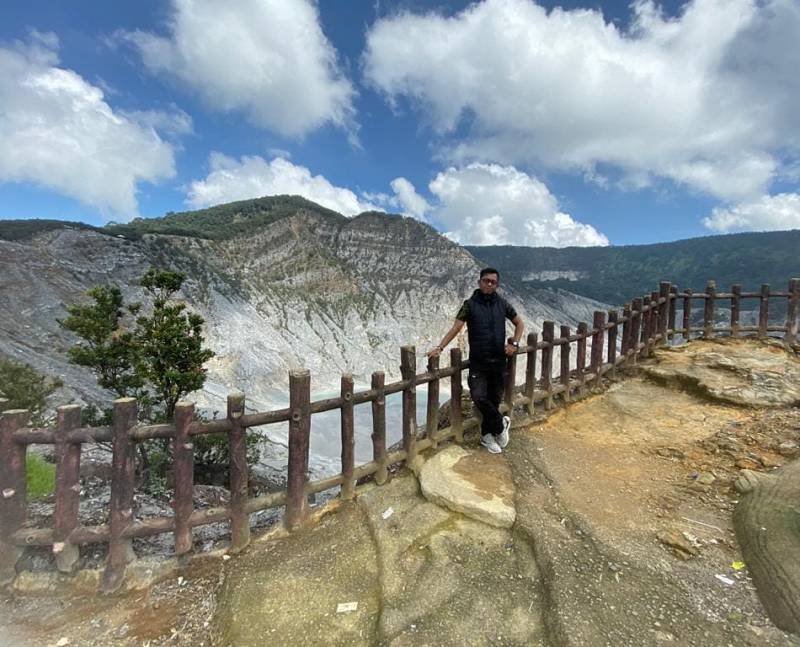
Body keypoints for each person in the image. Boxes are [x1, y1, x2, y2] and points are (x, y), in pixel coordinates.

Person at [427, 267, 523, 453]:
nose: (489, 284)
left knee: (493, 400)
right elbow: (456, 327)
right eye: (486, 280)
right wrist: (440, 347)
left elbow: (519, 323)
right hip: (478, 363)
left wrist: (515, 344)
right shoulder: (469, 305)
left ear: (497, 284)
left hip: (498, 362)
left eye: (493, 282)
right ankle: (500, 424)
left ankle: (487, 437)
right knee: (479, 397)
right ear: (479, 282)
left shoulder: (503, 304)